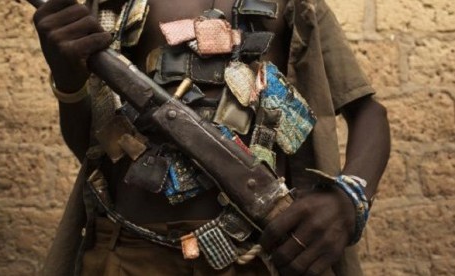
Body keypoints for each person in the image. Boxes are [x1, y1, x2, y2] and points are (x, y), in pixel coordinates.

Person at [32, 0, 390, 275]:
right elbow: (92, 150)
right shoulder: (112, 7)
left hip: (262, 253)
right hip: (128, 252)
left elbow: (368, 112)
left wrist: (348, 202)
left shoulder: (293, 4)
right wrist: (68, 80)